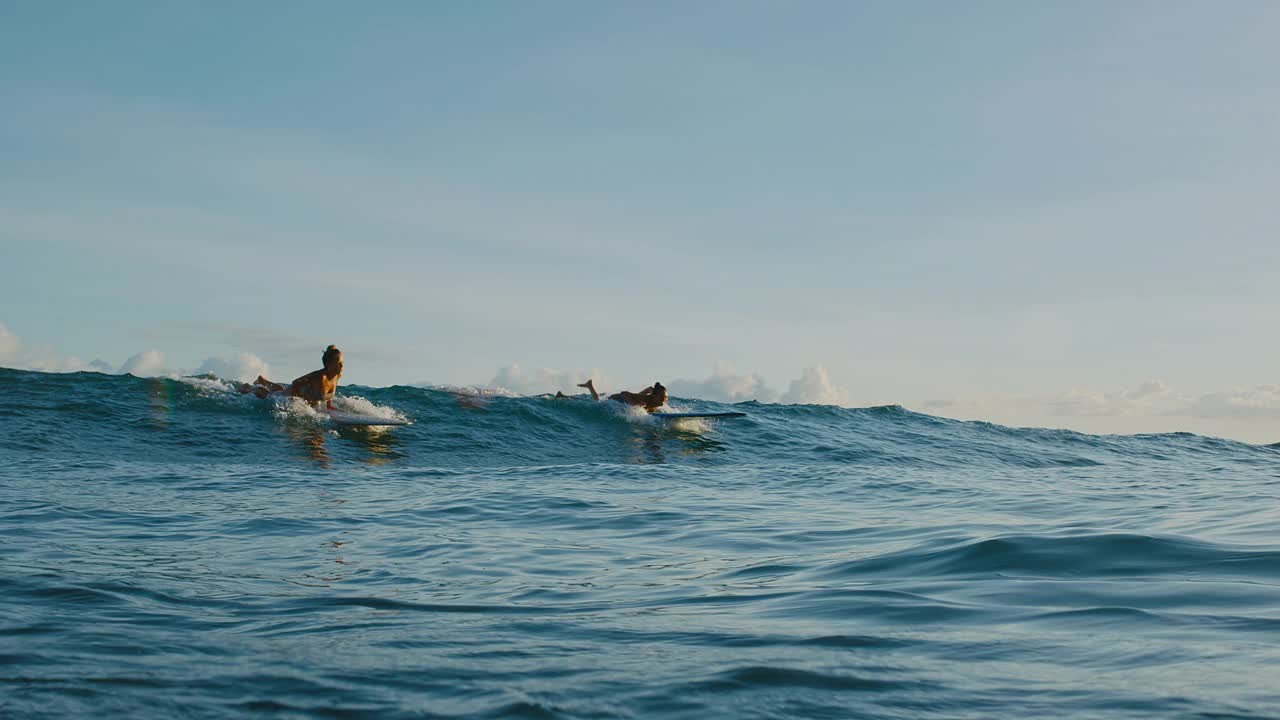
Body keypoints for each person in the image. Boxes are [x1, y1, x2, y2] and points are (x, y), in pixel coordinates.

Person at [237, 345, 344, 411]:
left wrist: (329, 406)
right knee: (267, 395)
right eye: (338, 363)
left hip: (301, 395)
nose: (342, 365)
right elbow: (296, 382)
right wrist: (295, 402)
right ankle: (248, 388)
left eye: (342, 362)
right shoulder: (319, 377)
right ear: (329, 365)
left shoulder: (337, 375)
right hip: (292, 394)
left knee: (280, 390)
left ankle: (262, 380)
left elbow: (329, 390)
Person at [570, 379, 668, 413]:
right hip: (618, 399)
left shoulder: (652, 401)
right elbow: (624, 393)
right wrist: (633, 404)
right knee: (597, 401)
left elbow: (649, 390)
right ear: (655, 396)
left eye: (665, 398)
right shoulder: (644, 401)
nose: (664, 400)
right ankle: (589, 386)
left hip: (627, 400)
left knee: (596, 399)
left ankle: (586, 388)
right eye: (662, 397)